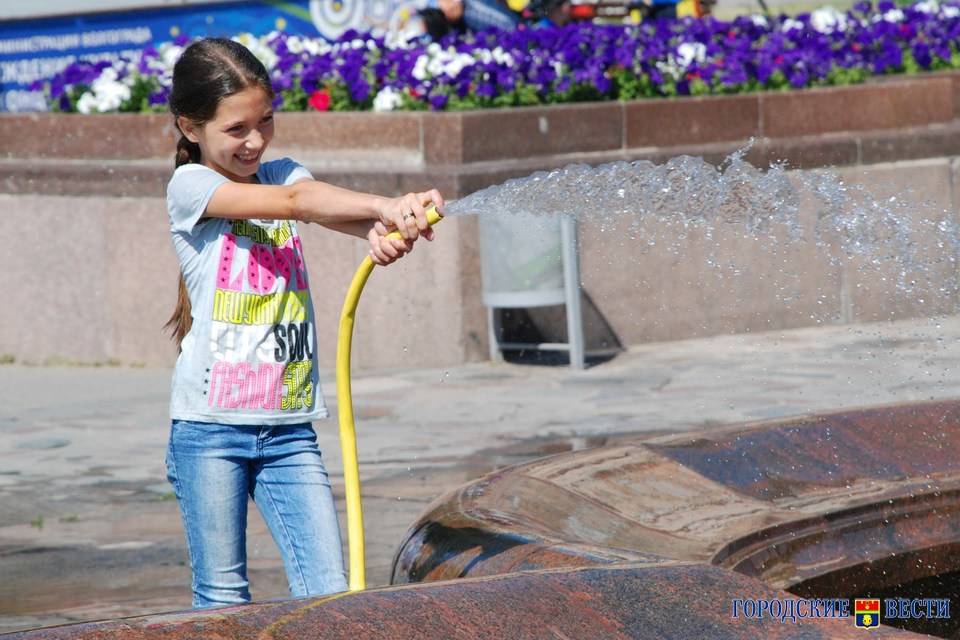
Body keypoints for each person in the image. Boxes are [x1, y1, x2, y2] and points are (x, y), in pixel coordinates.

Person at [163, 37, 444, 608]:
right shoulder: (191, 187)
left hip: (290, 430)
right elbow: (294, 203)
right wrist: (380, 207)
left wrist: (388, 231)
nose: (256, 140)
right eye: (237, 129)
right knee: (221, 598)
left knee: (329, 598)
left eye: (265, 121)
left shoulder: (284, 172)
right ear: (191, 128)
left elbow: (314, 200)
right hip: (210, 429)